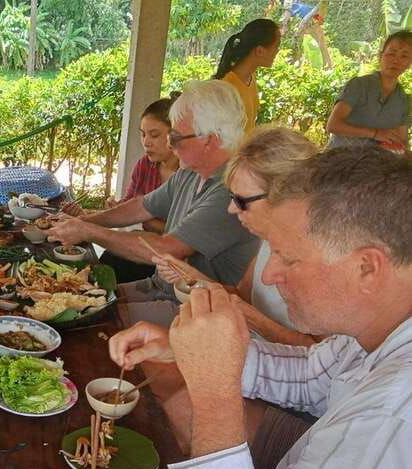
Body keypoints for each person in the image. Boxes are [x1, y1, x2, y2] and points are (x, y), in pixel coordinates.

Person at [109, 145, 412, 469]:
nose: (269, 275)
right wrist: (187, 350)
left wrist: (214, 393)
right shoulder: (379, 329)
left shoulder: (395, 415)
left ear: (366, 267)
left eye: (289, 258)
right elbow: (309, 376)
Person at [47, 80, 260, 328]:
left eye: (176, 137)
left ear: (209, 140)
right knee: (70, 298)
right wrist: (82, 220)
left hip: (196, 314)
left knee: (82, 321)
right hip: (159, 288)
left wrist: (87, 231)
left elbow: (166, 249)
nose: (170, 145)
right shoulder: (190, 173)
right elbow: (140, 207)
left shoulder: (228, 190)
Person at [153, 126, 319, 346]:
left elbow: (320, 355)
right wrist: (194, 278)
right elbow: (242, 295)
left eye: (241, 200)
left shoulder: (325, 257)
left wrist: (243, 312)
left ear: (286, 197)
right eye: (231, 197)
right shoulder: (267, 241)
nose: (231, 208)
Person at [66, 96, 180, 283]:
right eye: (143, 134)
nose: (146, 142)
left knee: (105, 273)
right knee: (100, 268)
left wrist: (148, 221)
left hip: (170, 262)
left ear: (176, 134)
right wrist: (84, 216)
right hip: (145, 244)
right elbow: (128, 207)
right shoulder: (146, 165)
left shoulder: (188, 175)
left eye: (154, 135)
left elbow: (180, 238)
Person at [327, 30, 411, 151]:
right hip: (340, 161)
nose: (396, 60)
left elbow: (402, 141)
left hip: (375, 165)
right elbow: (333, 125)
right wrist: (375, 133)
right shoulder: (359, 85)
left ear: (409, 63)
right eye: (391, 54)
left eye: (404, 56)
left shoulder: (404, 100)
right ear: (380, 56)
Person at [215, 19, 281, 133]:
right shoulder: (228, 88)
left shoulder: (250, 78)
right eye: (276, 46)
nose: (278, 51)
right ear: (259, 51)